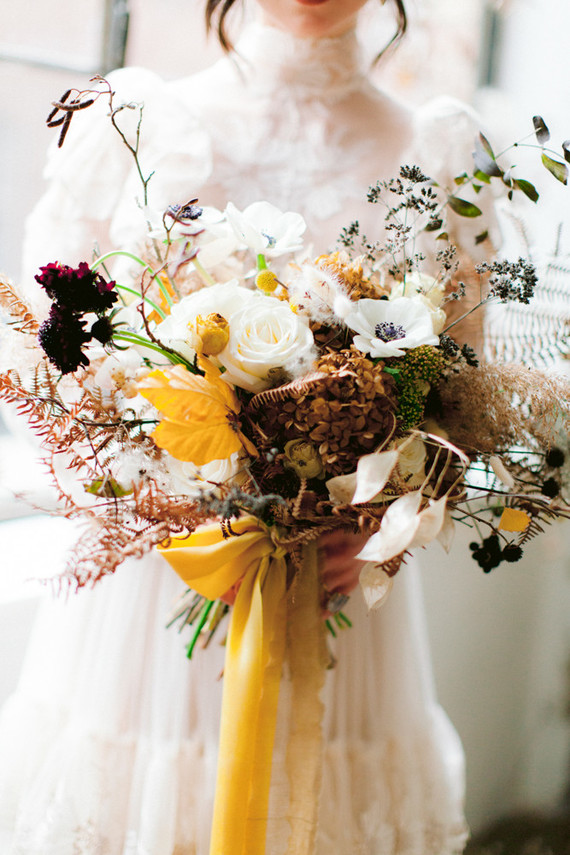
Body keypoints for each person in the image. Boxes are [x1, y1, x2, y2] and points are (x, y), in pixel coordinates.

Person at [1, 1, 489, 852]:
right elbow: (50, 358)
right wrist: (153, 506)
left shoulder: (441, 154)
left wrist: (384, 529)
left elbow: (464, 401)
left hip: (342, 591)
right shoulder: (136, 121)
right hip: (153, 586)